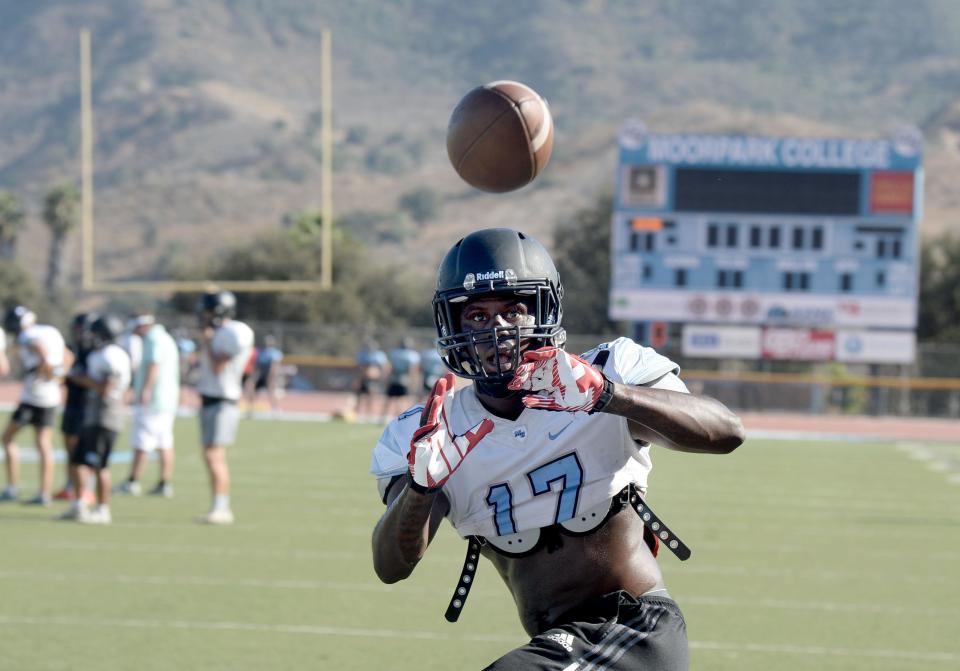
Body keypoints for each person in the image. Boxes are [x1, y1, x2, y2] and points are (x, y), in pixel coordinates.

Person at [370, 228, 745, 670]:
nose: (498, 331)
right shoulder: (434, 431)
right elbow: (392, 565)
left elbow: (726, 432)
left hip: (632, 629)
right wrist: (421, 487)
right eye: (477, 316)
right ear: (451, 325)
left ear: (544, 312)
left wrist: (608, 395)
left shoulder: (609, 370)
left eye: (514, 311)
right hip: (564, 643)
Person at [60, 314, 131, 524]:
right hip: (94, 415)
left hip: (105, 415)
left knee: (99, 465)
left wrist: (80, 379)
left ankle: (102, 509)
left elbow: (106, 389)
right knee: (80, 461)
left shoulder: (111, 356)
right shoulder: (103, 354)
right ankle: (79, 504)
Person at [195, 290, 254, 524]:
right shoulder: (223, 332)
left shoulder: (234, 332)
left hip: (222, 401)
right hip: (211, 399)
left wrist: (209, 341)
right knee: (211, 454)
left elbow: (219, 366)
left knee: (214, 455)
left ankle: (221, 507)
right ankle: (218, 504)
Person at [0, 306, 70, 505]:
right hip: (52, 395)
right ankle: (44, 493)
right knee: (43, 443)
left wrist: (45, 370)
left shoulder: (28, 335)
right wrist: (57, 376)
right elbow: (68, 357)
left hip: (34, 395)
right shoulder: (51, 331)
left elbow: (40, 349)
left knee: (7, 437)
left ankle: (12, 488)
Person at [115, 313, 180, 498]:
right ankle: (164, 483)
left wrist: (145, 390)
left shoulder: (154, 338)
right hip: (166, 400)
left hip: (154, 400)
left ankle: (132, 481)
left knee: (142, 441)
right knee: (164, 442)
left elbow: (154, 364)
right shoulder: (165, 337)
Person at [53, 312, 98, 502]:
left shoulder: (95, 352)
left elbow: (92, 381)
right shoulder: (73, 349)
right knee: (69, 448)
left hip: (87, 407)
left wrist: (73, 376)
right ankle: (71, 485)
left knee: (84, 450)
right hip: (72, 404)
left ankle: (87, 488)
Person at [379, 337, 421, 421]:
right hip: (404, 381)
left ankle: (383, 418)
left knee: (389, 400)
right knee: (402, 402)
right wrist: (414, 383)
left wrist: (386, 380)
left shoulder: (394, 353)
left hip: (394, 379)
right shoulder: (412, 355)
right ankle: (402, 419)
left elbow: (389, 368)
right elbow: (412, 371)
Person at [246, 334, 283, 414]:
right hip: (260, 376)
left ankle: (275, 409)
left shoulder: (275, 353)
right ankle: (251, 409)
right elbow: (257, 366)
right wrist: (254, 377)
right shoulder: (261, 352)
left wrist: (272, 378)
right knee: (253, 390)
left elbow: (274, 367)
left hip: (269, 376)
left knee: (271, 392)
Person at [353, 338, 387, 420]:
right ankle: (358, 414)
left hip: (373, 379)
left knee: (371, 397)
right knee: (359, 396)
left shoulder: (379, 355)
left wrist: (380, 376)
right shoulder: (362, 355)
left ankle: (369, 415)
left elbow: (383, 368)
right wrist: (358, 379)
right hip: (363, 378)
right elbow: (359, 368)